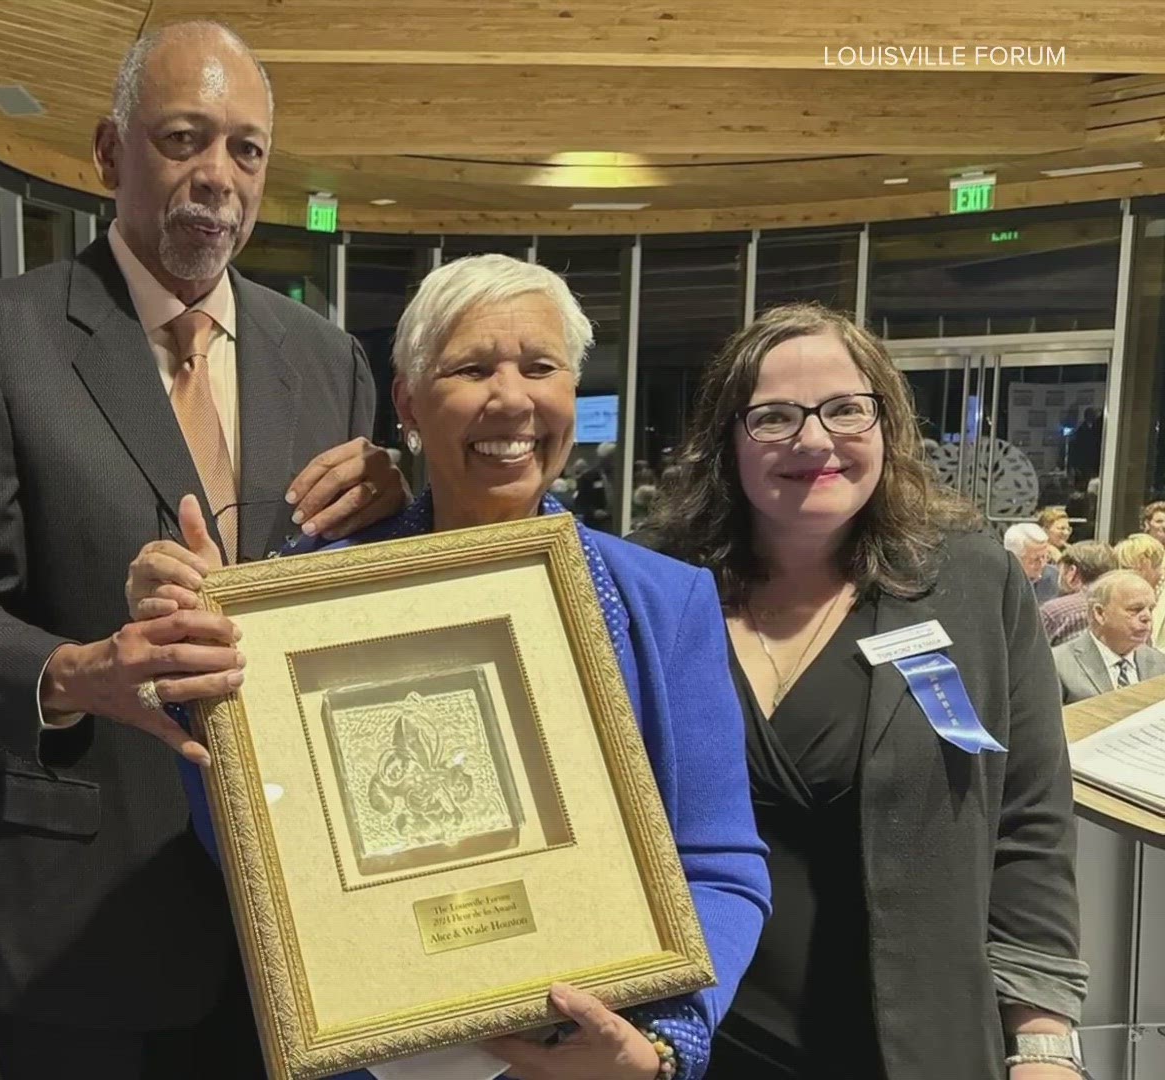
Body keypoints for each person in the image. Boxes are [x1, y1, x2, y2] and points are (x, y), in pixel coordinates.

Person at [0, 21, 405, 1080]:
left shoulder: (325, 358)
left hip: (300, 917)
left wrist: (402, 507)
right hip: (88, 923)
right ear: (110, 153)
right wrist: (77, 673)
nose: (218, 176)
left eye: (246, 150)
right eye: (184, 138)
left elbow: (345, 596)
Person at [124, 254, 771, 1080]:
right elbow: (251, 848)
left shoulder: (664, 602)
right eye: (471, 368)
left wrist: (659, 1047)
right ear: (407, 403)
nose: (512, 399)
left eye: (541, 367)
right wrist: (198, 669)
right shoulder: (311, 596)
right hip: (370, 1050)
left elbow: (720, 867)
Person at [648, 302, 1085, 1080]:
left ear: (887, 424)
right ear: (727, 441)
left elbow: (1029, 824)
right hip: (688, 1042)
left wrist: (1045, 1044)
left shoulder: (972, 586)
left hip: (918, 1045)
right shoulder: (654, 590)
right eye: (775, 417)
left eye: (846, 410)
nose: (815, 440)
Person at [1052, 570, 1165, 703]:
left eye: (1150, 609)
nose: (1147, 617)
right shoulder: (1057, 664)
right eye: (1135, 609)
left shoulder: (1159, 663)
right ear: (1100, 613)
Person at [1039, 540, 1117, 646]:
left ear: (1072, 572)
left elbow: (1029, 655)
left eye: (1060, 569)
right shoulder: (1127, 608)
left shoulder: (1053, 612)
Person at [1003, 521, 1058, 603]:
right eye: (1036, 559)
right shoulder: (996, 583)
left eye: (1045, 557)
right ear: (1014, 558)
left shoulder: (1055, 577)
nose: (1043, 564)